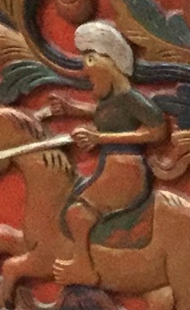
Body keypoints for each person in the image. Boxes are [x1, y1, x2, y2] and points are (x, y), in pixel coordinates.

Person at [51, 20, 168, 287]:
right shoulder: (113, 101)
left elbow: (158, 130)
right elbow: (106, 115)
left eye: (91, 60)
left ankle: (84, 269)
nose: (85, 68)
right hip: (111, 168)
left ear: (111, 62)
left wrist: (100, 138)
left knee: (76, 214)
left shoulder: (131, 98)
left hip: (127, 171)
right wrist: (72, 109)